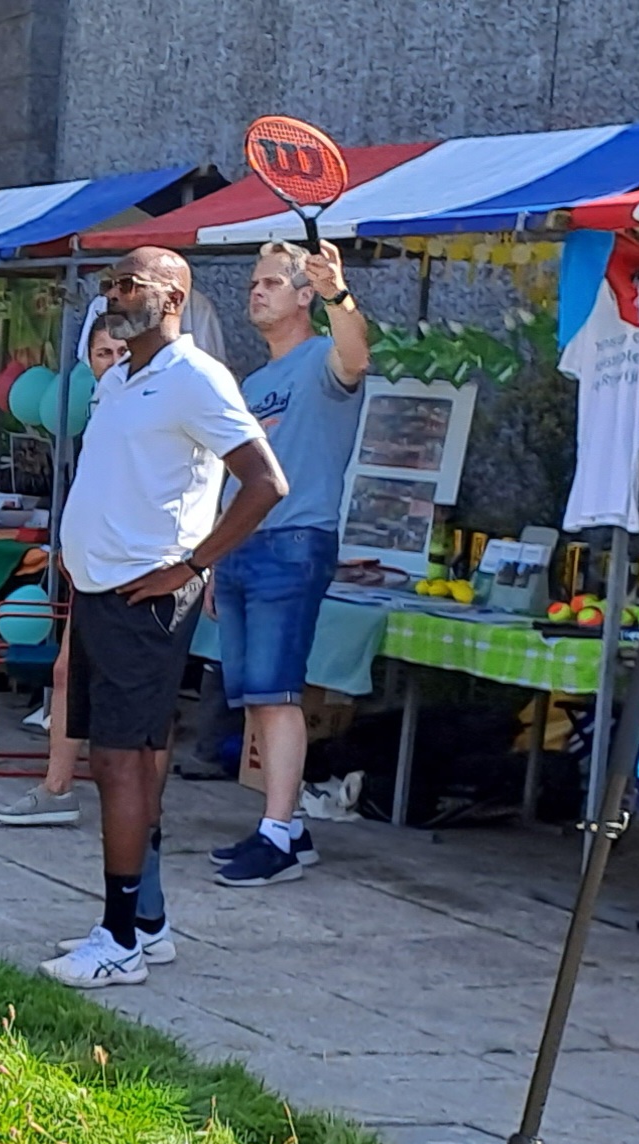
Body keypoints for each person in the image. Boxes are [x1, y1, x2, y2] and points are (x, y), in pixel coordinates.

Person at [40, 247, 288, 989]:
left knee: (122, 761)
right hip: (102, 592)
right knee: (125, 760)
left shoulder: (194, 377)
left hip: (142, 600)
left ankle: (118, 937)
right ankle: (146, 921)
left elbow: (265, 482)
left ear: (174, 298)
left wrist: (191, 564)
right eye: (108, 284)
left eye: (130, 284)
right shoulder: (119, 377)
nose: (113, 295)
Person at [208, 241, 370, 888]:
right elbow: (235, 479)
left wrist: (339, 294)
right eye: (255, 282)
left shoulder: (322, 359)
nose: (257, 291)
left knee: (276, 694)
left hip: (294, 540)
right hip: (243, 548)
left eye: (272, 282)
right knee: (256, 696)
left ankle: (277, 832)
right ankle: (287, 830)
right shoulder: (253, 384)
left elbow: (356, 356)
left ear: (305, 296)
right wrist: (216, 553)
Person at [0, 327, 128, 826]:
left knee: (131, 687)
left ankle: (137, 805)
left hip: (136, 565)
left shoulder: (154, 405)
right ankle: (57, 787)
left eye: (122, 351)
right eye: (103, 353)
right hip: (91, 565)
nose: (113, 360)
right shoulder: (98, 411)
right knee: (67, 673)